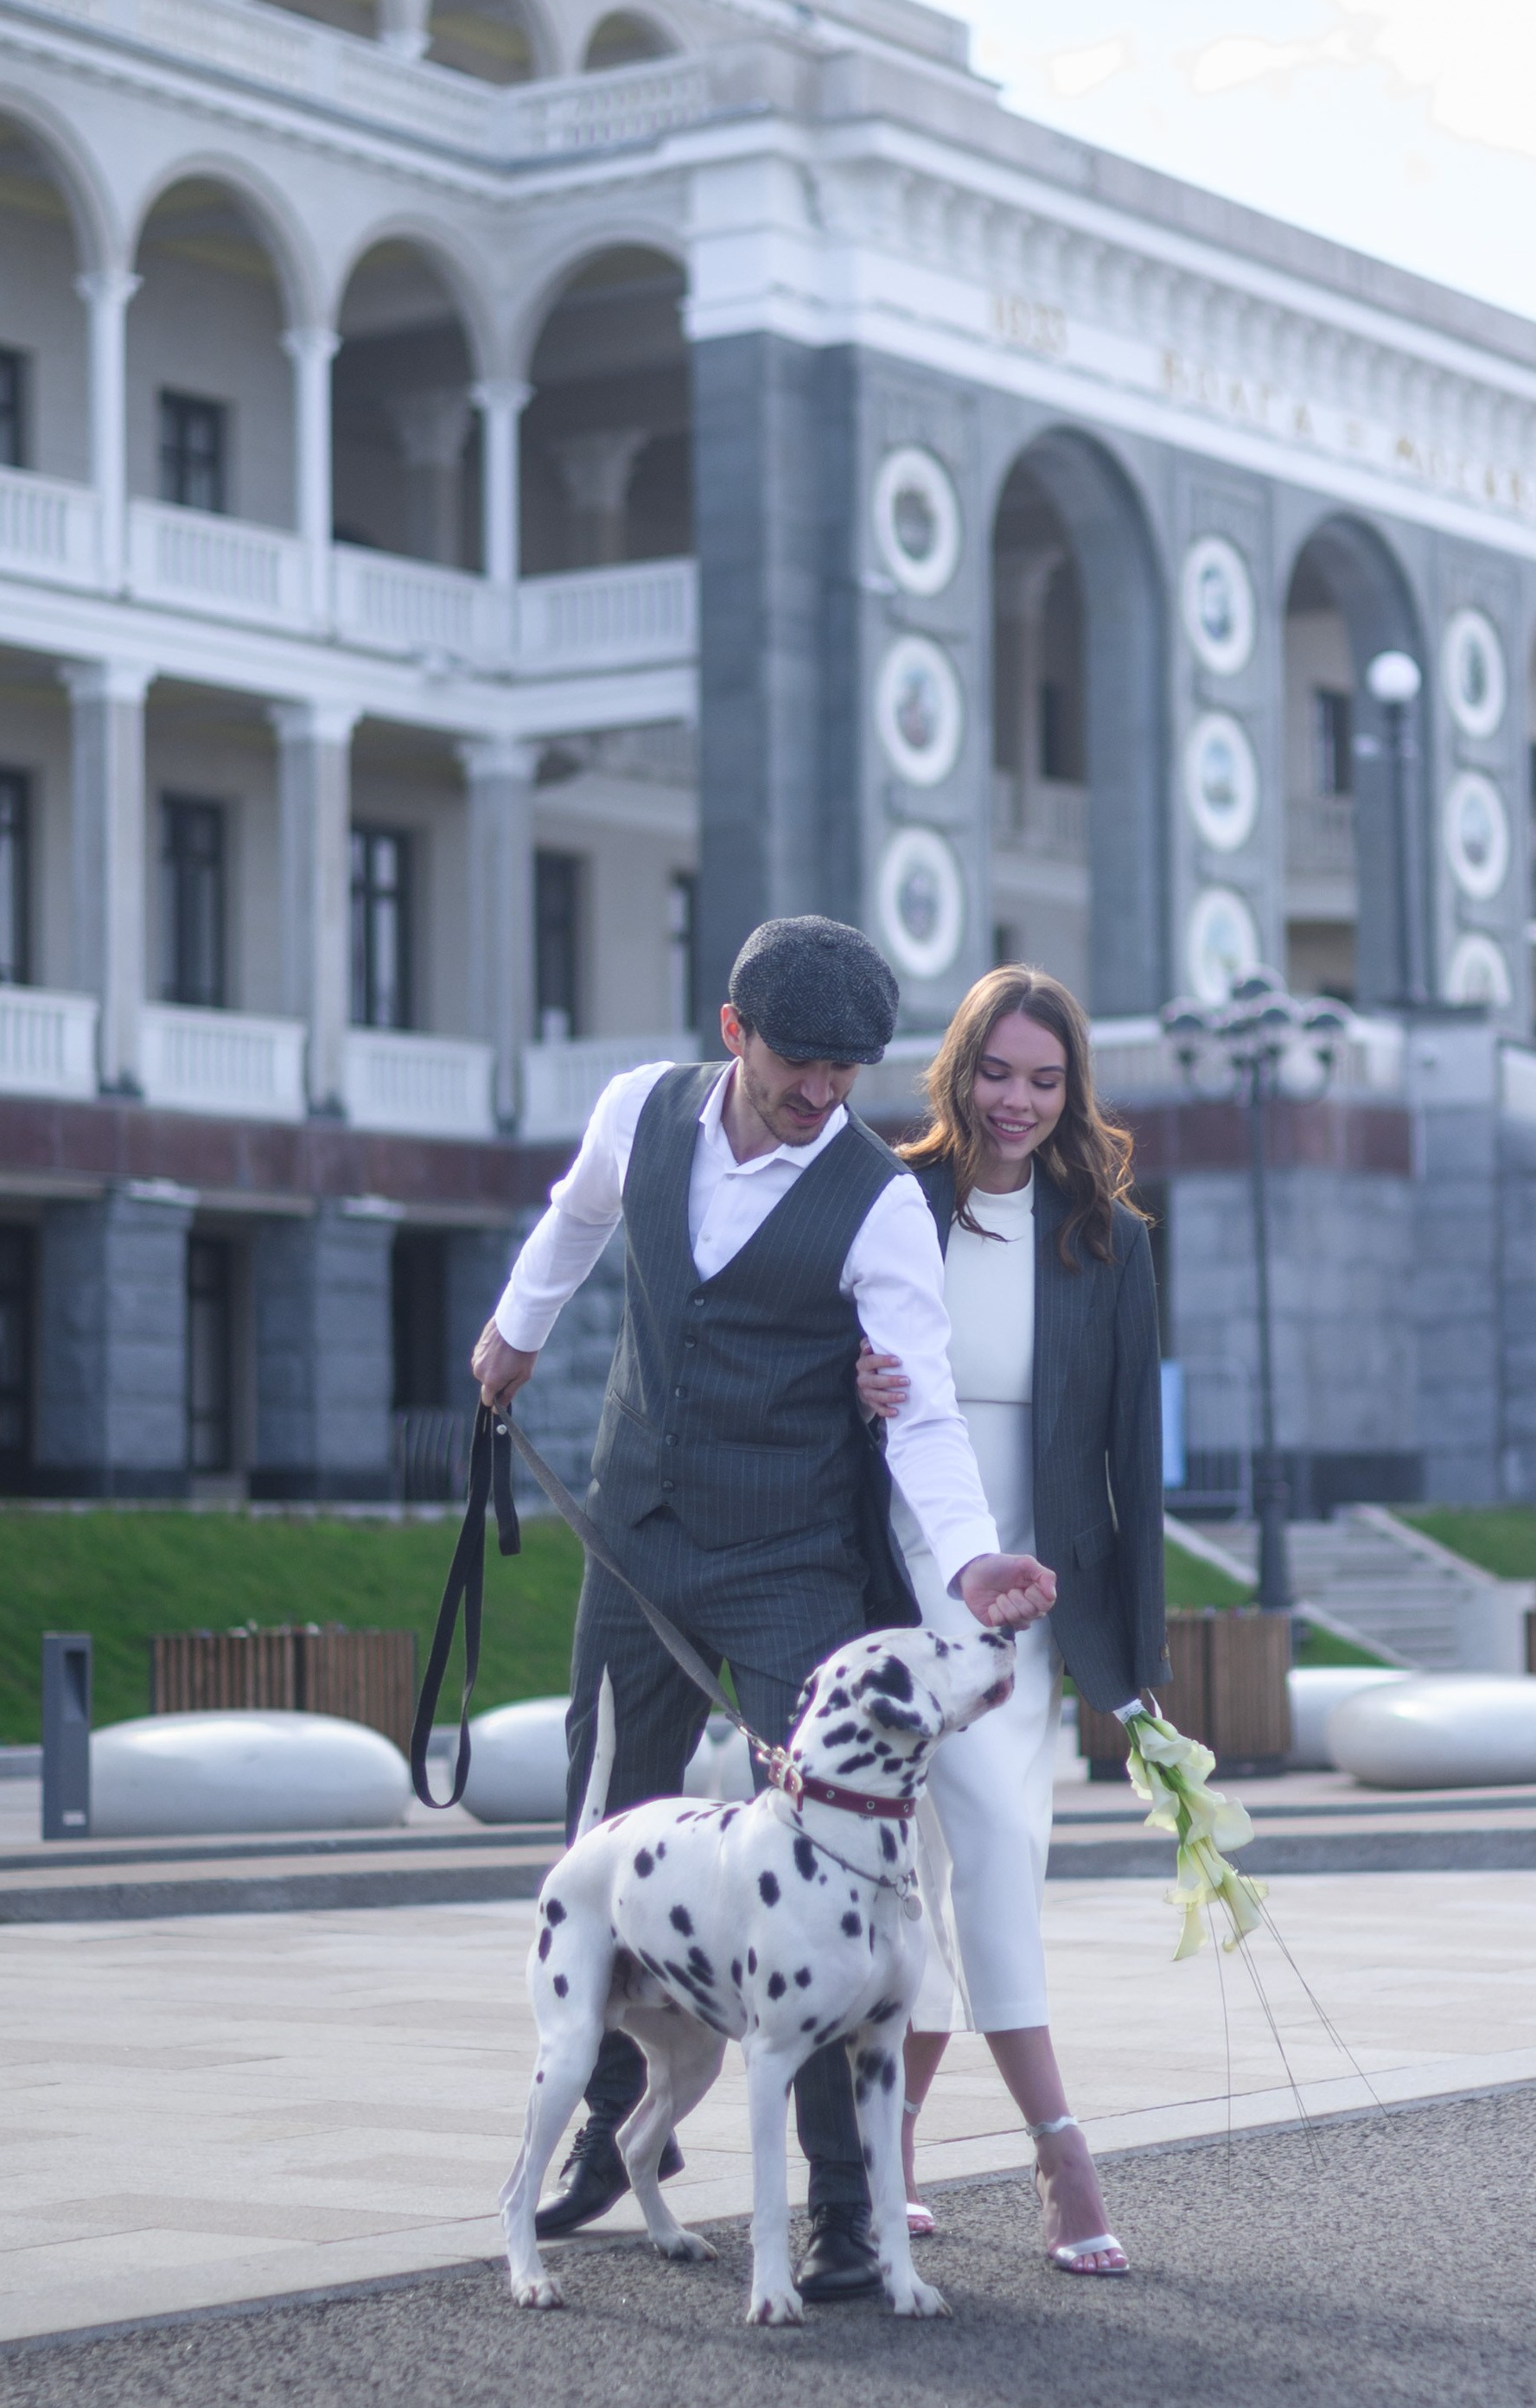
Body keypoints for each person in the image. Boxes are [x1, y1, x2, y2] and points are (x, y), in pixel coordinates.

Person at [471, 916, 1057, 2302]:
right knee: (601, 1824)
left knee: (838, 1858)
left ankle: (848, 2219)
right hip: (640, 1531)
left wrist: (971, 1565)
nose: (824, 1093)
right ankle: (618, 2139)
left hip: (790, 1562)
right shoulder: (641, 1110)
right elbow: (573, 1222)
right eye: (801, 1063)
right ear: (735, 1033)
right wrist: (513, 1335)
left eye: (850, 1070)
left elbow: (914, 1403)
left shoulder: (873, 1199)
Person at [857, 965, 1165, 2275]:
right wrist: (853, 1379)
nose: (1019, 1101)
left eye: (1046, 1080)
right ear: (959, 1070)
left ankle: (892, 2148)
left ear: (1072, 1089)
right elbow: (819, 1367)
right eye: (998, 1073)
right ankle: (1061, 2148)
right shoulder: (890, 1198)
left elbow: (1133, 1465)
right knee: (959, 1846)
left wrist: (1138, 1667)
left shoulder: (1109, 1237)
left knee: (977, 1858)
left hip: (1036, 1589)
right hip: (906, 1567)